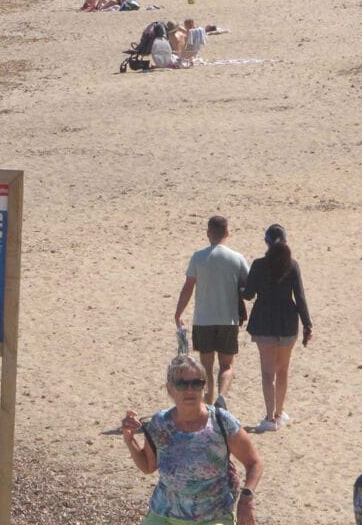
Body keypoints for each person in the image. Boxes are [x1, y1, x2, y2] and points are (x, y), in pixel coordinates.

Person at [120, 355, 263, 525]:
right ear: (170, 389)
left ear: (204, 387)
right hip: (164, 514)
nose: (190, 390)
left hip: (213, 517)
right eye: (182, 384)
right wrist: (129, 439)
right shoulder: (160, 423)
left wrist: (246, 500)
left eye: (196, 383)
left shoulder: (221, 422)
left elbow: (254, 462)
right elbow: (148, 466)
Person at [241, 224, 311, 432]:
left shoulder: (259, 265)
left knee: (267, 372)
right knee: (283, 370)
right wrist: (307, 324)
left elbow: (249, 294)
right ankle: (279, 413)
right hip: (288, 322)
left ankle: (270, 418)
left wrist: (240, 287)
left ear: (267, 243)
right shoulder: (292, 265)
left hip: (264, 322)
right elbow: (300, 297)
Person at [175, 216, 250, 407]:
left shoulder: (198, 257)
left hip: (203, 320)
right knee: (227, 365)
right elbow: (249, 287)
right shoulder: (237, 258)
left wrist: (178, 313)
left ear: (208, 233)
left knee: (206, 368)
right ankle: (222, 397)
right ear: (227, 233)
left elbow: (188, 287)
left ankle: (208, 408)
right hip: (228, 320)